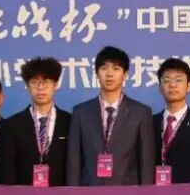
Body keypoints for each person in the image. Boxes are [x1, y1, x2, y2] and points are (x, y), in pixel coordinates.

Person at [67, 46, 156, 186]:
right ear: (96, 73)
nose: (109, 74)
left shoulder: (141, 113)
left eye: (116, 69)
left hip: (128, 194)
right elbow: (74, 162)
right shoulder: (81, 112)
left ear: (125, 74)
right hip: (90, 192)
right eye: (104, 68)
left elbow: (146, 162)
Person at [0, 57, 72, 187]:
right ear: (27, 86)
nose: (40, 88)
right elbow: (7, 172)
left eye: (46, 82)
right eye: (34, 82)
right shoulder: (12, 125)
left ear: (55, 85)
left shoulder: (70, 122)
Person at [150, 58, 190, 184]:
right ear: (160, 87)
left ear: (189, 86)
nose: (172, 85)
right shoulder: (149, 123)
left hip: (189, 194)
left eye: (178, 80)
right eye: (167, 80)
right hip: (153, 193)